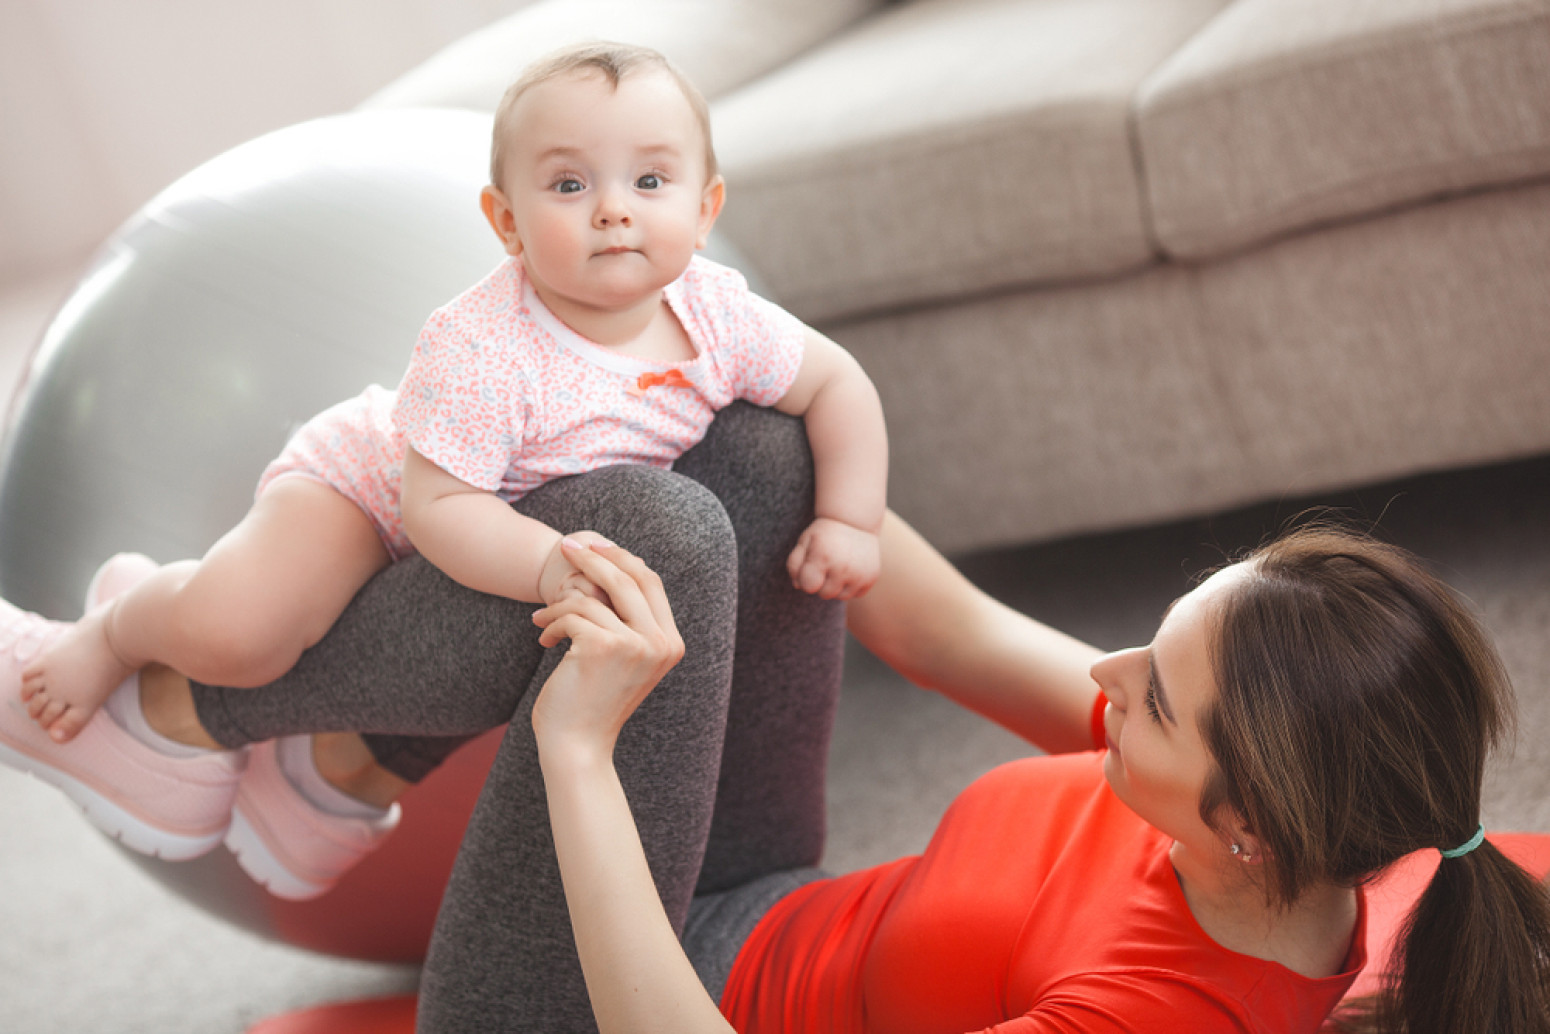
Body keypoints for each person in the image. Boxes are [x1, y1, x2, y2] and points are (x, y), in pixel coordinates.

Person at [3, 406, 1548, 1031]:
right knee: (750, 454)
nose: (1105, 673)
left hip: (622, 1003)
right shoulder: (1270, 795)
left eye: (1151, 691)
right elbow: (932, 618)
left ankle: (170, 703)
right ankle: (309, 766)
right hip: (753, 886)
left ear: (1243, 825)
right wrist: (805, 387)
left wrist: (578, 746)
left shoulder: (1156, 1017)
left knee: (650, 550)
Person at [15, 41, 887, 747]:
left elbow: (837, 385)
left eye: (650, 181)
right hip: (369, 490)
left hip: (507, 512)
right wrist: (545, 563)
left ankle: (321, 777)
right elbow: (435, 508)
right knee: (240, 640)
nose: (613, 210)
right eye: (570, 185)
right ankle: (123, 622)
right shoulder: (484, 343)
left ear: (706, 208)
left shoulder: (721, 317)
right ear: (506, 221)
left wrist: (850, 518)